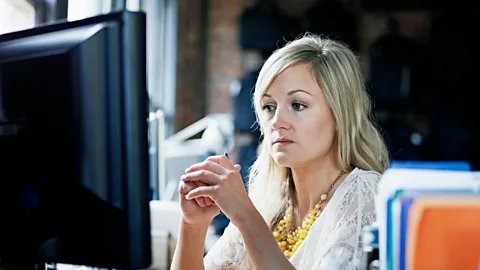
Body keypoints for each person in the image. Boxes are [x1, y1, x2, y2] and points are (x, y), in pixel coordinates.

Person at [171, 34, 389, 270]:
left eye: (298, 105)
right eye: (268, 107)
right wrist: (193, 226)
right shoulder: (266, 201)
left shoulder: (365, 193)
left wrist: (245, 215)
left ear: (339, 115)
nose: (277, 121)